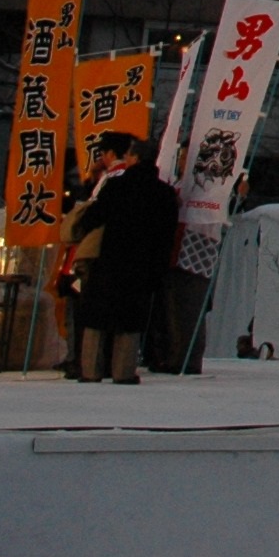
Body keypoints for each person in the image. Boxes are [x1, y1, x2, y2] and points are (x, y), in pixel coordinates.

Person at [68, 132, 180, 384]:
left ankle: (90, 370)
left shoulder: (117, 186)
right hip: (143, 265)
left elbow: (93, 217)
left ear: (135, 158)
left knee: (96, 318)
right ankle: (124, 372)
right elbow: (167, 236)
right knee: (130, 322)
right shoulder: (164, 194)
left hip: (110, 260)